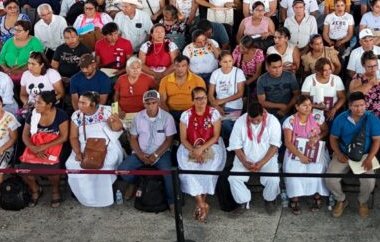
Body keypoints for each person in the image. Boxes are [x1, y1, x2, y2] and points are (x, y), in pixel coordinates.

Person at [326, 92, 380, 217]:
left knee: (370, 181)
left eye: (362, 105)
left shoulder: (372, 119)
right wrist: (338, 153)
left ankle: (362, 202)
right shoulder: (341, 118)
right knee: (330, 178)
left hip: (365, 155)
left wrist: (370, 158)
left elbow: (377, 140)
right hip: (344, 153)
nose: (360, 108)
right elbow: (333, 138)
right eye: (356, 106)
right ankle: (341, 200)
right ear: (350, 106)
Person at [65, 90, 125, 208]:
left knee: (106, 164)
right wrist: (77, 152)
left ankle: (104, 195)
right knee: (72, 164)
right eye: (79, 102)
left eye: (83, 103)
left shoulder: (107, 110)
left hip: (106, 145)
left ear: (93, 104)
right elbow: (73, 137)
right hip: (83, 146)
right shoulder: (76, 115)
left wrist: (115, 121)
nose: (79, 105)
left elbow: (117, 129)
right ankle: (86, 196)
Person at [119, 89, 177, 207]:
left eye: (153, 103)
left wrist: (155, 155)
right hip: (141, 152)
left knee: (168, 174)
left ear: (158, 103)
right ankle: (136, 183)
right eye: (147, 103)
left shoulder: (167, 118)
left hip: (161, 154)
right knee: (123, 170)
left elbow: (169, 140)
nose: (150, 106)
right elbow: (133, 138)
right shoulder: (138, 117)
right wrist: (140, 154)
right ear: (144, 104)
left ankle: (172, 202)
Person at [177, 87, 225, 222]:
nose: (201, 101)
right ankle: (202, 204)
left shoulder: (214, 113)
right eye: (198, 98)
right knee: (188, 172)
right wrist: (194, 150)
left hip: (210, 145)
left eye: (204, 97)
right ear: (192, 100)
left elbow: (215, 136)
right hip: (190, 146)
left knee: (208, 169)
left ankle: (201, 204)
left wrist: (201, 149)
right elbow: (183, 139)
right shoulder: (186, 115)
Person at [229, 101, 283, 213]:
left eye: (258, 120)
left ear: (263, 114)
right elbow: (236, 146)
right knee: (233, 178)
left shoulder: (273, 121)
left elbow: (274, 146)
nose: (255, 122)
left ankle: (270, 200)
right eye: (251, 119)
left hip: (267, 158)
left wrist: (261, 163)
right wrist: (244, 162)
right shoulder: (240, 121)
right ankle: (243, 201)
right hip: (245, 157)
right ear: (248, 114)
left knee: (273, 179)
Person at [20, 91, 70, 207]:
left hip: (54, 145)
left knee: (52, 170)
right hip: (34, 145)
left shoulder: (60, 115)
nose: (35, 105)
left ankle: (55, 191)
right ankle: (35, 189)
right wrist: (33, 148)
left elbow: (63, 137)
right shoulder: (33, 114)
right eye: (36, 102)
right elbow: (25, 135)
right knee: (24, 170)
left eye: (39, 103)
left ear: (49, 104)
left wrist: (42, 147)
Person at [283, 93, 330, 214]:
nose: (308, 108)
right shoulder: (290, 121)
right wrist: (300, 156)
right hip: (296, 150)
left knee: (317, 168)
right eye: (304, 105)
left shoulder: (317, 117)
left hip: (315, 149)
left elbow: (326, 131)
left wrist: (318, 137)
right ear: (297, 107)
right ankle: (295, 198)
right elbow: (288, 142)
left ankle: (317, 196)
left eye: (309, 105)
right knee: (293, 169)